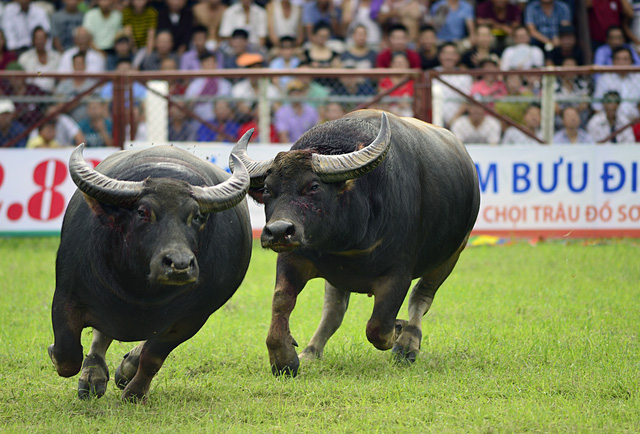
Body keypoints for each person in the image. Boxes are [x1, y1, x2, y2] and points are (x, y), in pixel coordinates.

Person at [432, 42, 473, 127]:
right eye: (446, 53)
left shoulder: (465, 77)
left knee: (459, 125)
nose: (449, 57)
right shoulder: (431, 74)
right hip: (434, 116)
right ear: (440, 56)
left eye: (452, 54)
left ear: (457, 57)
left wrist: (454, 119)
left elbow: (466, 102)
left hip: (458, 119)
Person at [593, 46, 640, 119]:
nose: (621, 62)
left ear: (631, 61)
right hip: (611, 121)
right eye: (618, 59)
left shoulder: (638, 78)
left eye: (625, 59)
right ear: (612, 61)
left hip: (635, 121)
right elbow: (597, 106)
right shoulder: (604, 79)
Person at [184, 51, 232, 120]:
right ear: (201, 65)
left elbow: (230, 107)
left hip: (220, 121)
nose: (209, 65)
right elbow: (188, 105)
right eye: (206, 63)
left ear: (216, 64)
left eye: (212, 62)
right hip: (198, 122)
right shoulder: (194, 85)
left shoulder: (225, 84)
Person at [55, 53, 98, 123]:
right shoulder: (64, 85)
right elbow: (61, 107)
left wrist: (72, 102)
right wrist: (81, 99)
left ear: (85, 65)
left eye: (81, 64)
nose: (79, 67)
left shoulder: (92, 85)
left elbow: (97, 107)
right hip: (68, 122)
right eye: (77, 64)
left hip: (89, 123)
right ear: (73, 66)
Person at [18, 27, 61, 93]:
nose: (40, 41)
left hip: (52, 94)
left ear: (46, 40)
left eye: (42, 38)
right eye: (38, 39)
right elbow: (20, 79)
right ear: (33, 40)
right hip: (31, 94)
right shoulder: (25, 58)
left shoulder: (56, 57)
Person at [553, 57, 591, 129]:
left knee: (584, 114)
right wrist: (566, 115)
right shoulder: (554, 85)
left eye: (573, 66)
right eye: (567, 66)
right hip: (560, 116)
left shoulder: (582, 84)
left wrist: (572, 114)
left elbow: (584, 103)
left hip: (577, 115)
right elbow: (554, 107)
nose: (570, 69)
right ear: (561, 69)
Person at [378, 52, 415, 117]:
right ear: (391, 65)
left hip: (407, 114)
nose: (399, 65)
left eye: (402, 63)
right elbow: (382, 102)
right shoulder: (385, 82)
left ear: (407, 64)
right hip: (389, 113)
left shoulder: (413, 82)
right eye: (396, 63)